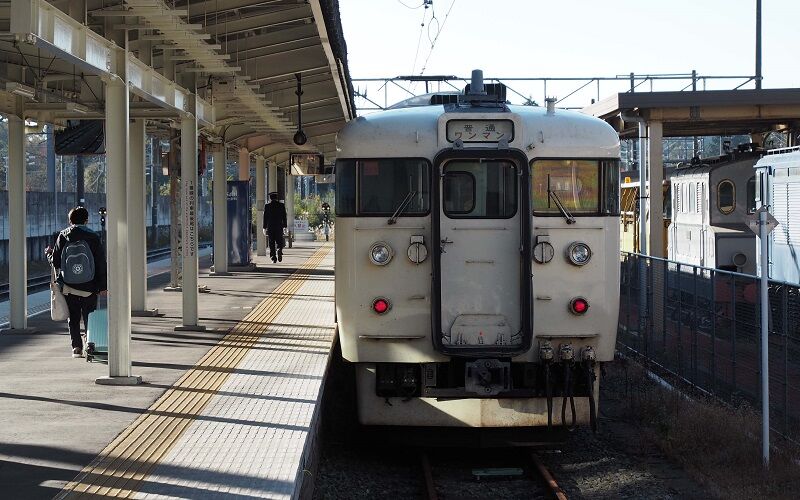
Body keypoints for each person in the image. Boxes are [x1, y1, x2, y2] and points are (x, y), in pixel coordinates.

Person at [49, 207, 108, 357]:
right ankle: (90, 343)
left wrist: (49, 254)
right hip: (90, 286)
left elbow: (56, 262)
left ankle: (76, 347)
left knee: (73, 317)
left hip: (69, 286)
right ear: (86, 220)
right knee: (90, 316)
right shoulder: (93, 236)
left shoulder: (63, 236)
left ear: (70, 221)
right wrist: (103, 286)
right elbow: (101, 263)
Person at [263, 192, 287, 263]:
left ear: (270, 198)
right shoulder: (281, 205)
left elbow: (265, 218)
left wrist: (264, 227)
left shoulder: (267, 206)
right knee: (279, 240)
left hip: (270, 227)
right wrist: (285, 226)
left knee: (271, 242)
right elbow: (284, 217)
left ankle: (273, 258)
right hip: (279, 226)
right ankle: (279, 249)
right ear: (276, 198)